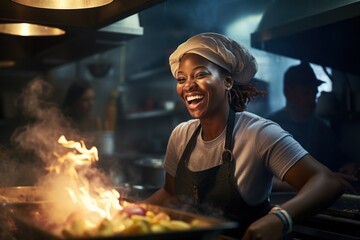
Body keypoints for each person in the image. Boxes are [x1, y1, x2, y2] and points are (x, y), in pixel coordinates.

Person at [145, 32, 344, 240]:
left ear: (228, 81)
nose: (188, 85)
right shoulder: (181, 135)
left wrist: (280, 218)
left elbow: (327, 181)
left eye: (200, 74)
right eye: (181, 78)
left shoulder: (258, 133)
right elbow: (170, 193)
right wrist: (126, 215)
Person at [266, 62, 359, 192]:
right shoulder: (270, 128)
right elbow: (264, 180)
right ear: (287, 92)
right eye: (306, 93)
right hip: (283, 203)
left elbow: (339, 159)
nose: (313, 100)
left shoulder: (322, 129)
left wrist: (348, 165)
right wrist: (322, 181)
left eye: (315, 94)